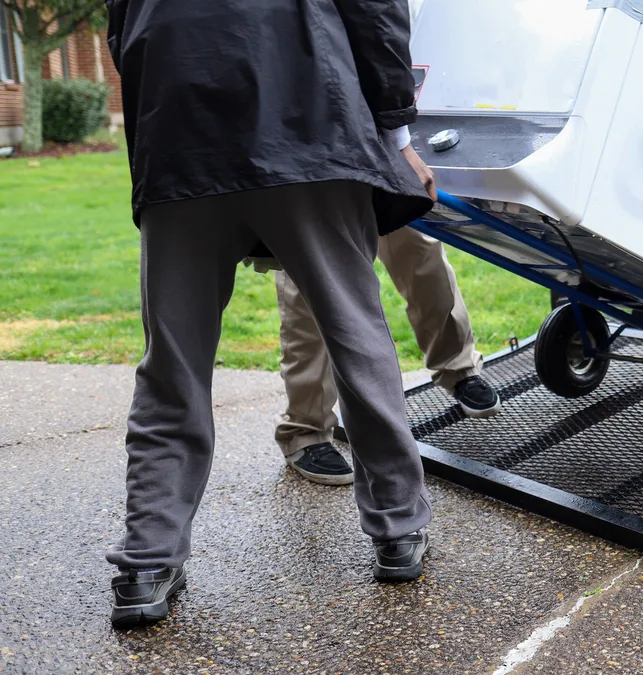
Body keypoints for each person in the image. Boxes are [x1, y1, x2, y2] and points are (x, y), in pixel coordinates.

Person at [105, 0, 436, 629]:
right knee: (354, 333)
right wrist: (396, 131)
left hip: (179, 128)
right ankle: (398, 528)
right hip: (308, 115)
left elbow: (123, 23)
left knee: (172, 361)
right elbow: (375, 10)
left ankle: (147, 561)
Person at [275, 226, 501, 486]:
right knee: (311, 283)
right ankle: (304, 430)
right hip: (309, 187)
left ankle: (458, 368)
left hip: (382, 183)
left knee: (423, 254)